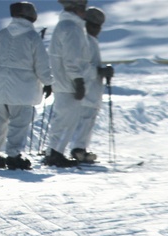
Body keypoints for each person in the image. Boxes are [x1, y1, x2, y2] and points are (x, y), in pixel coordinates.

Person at [0, 1, 52, 170]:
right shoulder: (32, 37)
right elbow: (41, 63)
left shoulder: (2, 34)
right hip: (22, 88)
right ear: (31, 16)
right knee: (18, 124)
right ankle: (13, 155)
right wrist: (48, 82)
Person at [45, 0, 91, 168]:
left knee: (62, 119)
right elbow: (72, 59)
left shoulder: (66, 26)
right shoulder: (71, 28)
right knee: (66, 121)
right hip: (68, 83)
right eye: (82, 8)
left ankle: (53, 152)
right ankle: (56, 154)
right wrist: (78, 80)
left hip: (63, 82)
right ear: (75, 9)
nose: (85, 12)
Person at [69, 6, 113, 164]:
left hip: (91, 90)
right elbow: (82, 66)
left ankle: (81, 149)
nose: (97, 29)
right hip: (85, 90)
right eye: (94, 25)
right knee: (83, 120)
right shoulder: (85, 40)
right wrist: (99, 71)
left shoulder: (90, 40)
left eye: (99, 26)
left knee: (87, 121)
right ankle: (77, 149)